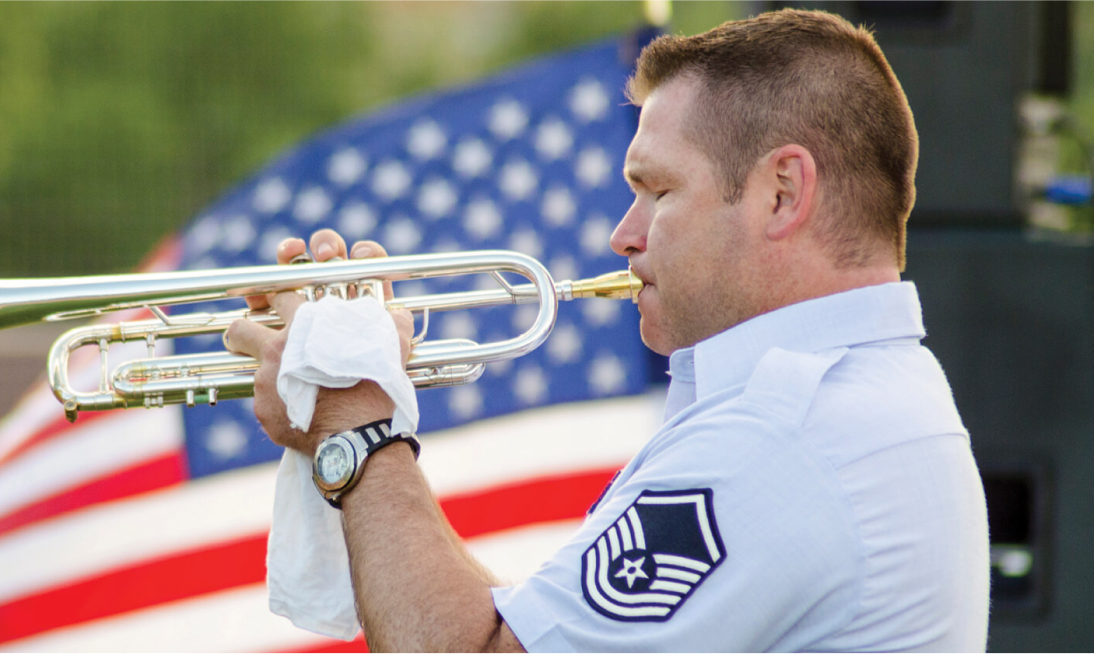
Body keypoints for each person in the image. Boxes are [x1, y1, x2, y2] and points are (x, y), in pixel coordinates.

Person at [225, 9, 989, 652]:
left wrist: (355, 420)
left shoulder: (784, 434)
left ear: (782, 193)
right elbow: (546, 634)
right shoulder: (855, 400)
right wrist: (348, 422)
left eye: (658, 190)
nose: (624, 235)